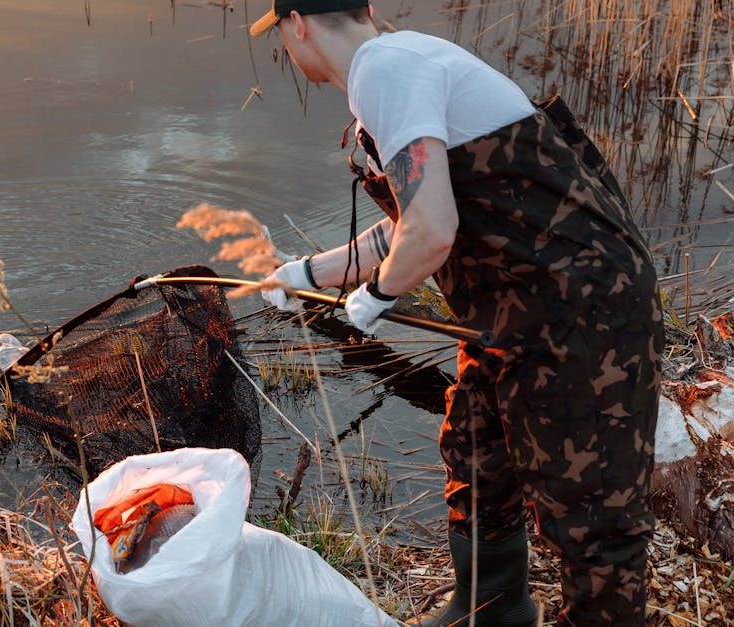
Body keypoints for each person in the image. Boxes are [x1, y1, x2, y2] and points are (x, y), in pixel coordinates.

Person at [248, 1, 664, 625]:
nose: (286, 45)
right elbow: (411, 224)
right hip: (516, 310)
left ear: (298, 23)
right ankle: (492, 609)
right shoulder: (402, 62)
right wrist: (309, 274)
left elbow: (433, 231)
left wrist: (378, 298)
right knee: (475, 449)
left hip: (584, 313)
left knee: (590, 515)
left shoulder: (385, 72)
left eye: (281, 33)